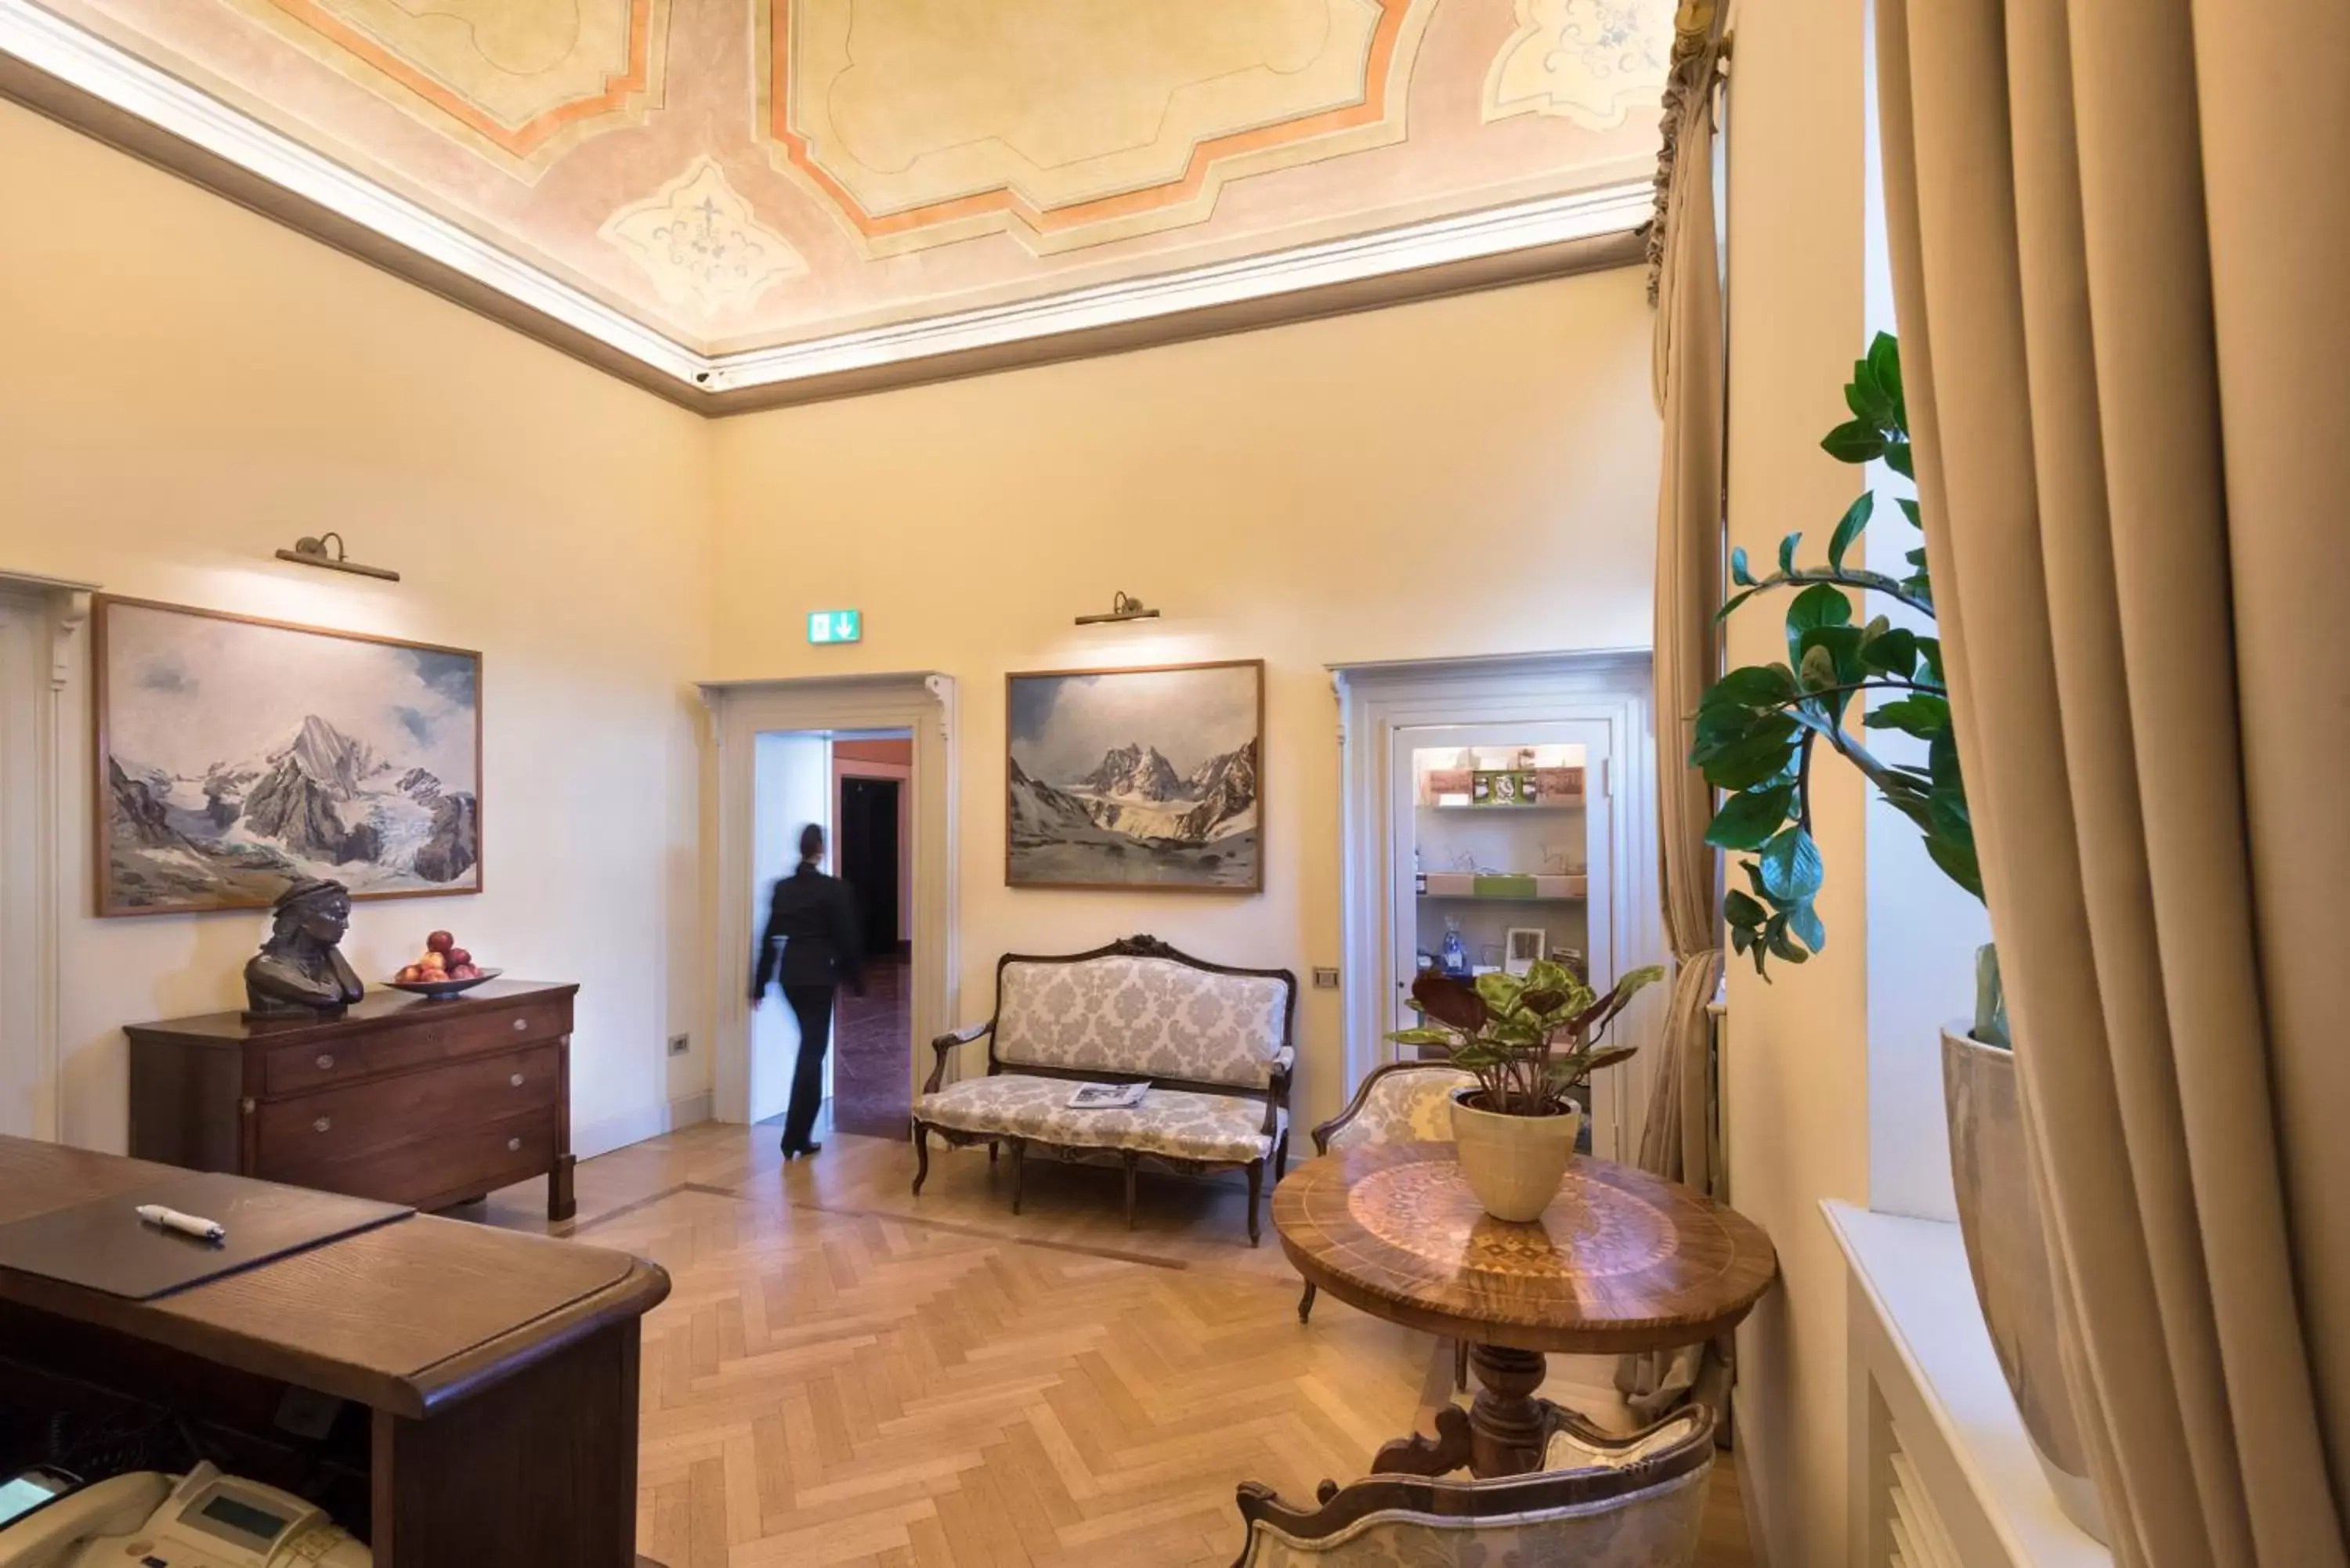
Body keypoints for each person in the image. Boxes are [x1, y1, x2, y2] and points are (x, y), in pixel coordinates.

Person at [750, 823, 865, 1160]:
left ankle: (799, 1136)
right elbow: (847, 938)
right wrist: (855, 978)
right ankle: (794, 1136)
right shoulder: (834, 890)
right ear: (821, 849)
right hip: (818, 979)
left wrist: (758, 984)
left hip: (791, 979)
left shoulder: (784, 889)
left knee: (810, 1050)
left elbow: (769, 937)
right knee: (812, 1054)